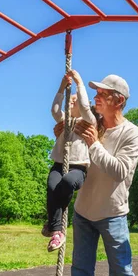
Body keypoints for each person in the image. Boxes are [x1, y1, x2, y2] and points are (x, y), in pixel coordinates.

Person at [53, 74, 138, 276]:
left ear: (119, 100)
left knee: (122, 275)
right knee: (81, 274)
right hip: (83, 213)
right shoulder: (90, 124)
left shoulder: (132, 133)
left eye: (102, 93)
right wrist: (64, 129)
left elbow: (119, 171)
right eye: (96, 93)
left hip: (113, 214)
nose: (96, 97)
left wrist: (94, 145)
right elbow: (66, 136)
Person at [43, 70, 97, 252]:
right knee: (52, 187)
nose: (72, 101)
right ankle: (56, 230)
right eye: (70, 99)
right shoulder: (64, 121)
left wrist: (79, 83)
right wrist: (61, 88)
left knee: (66, 183)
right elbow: (55, 109)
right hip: (59, 164)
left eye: (75, 100)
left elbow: (83, 104)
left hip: (78, 168)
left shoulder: (89, 121)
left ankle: (53, 222)